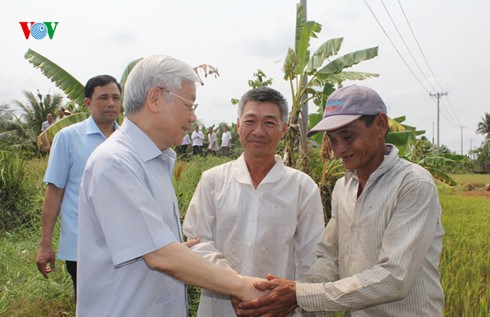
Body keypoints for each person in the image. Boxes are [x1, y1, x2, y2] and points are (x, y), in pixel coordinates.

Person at [76, 55, 264, 317]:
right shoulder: (115, 163)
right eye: (189, 104)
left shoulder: (155, 160)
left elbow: (158, 247)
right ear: (154, 99)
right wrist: (244, 286)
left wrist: (177, 253)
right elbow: (160, 256)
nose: (193, 117)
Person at [237, 85, 445, 317]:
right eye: (333, 140)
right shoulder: (343, 188)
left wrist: (299, 294)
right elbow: (330, 258)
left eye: (347, 136)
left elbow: (394, 277)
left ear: (380, 125)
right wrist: (295, 295)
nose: (339, 149)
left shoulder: (413, 184)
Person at [183, 87, 325, 317]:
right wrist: (235, 285)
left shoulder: (303, 188)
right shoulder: (213, 181)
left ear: (284, 129)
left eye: (269, 123)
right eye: (251, 121)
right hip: (220, 309)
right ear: (238, 125)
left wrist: (290, 298)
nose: (258, 131)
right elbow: (197, 241)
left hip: (279, 311)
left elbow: (312, 258)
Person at [36, 75, 122, 297]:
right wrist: (45, 244)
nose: (111, 103)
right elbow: (55, 192)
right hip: (81, 247)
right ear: (88, 103)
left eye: (115, 97)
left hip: (124, 245)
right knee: (89, 305)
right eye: (103, 97)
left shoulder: (128, 141)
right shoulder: (69, 137)